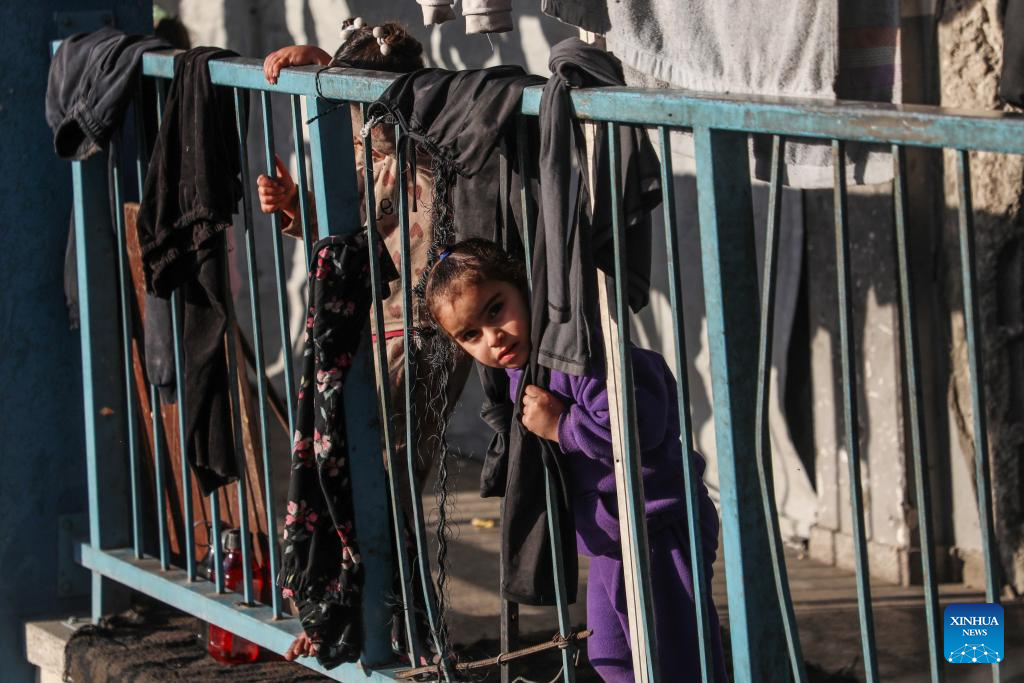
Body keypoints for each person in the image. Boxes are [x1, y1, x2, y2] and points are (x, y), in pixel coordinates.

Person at [259, 21, 472, 664]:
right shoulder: (368, 159)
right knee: (351, 473)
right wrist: (295, 208)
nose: (354, 123)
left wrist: (331, 67)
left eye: (355, 103)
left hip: (420, 336)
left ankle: (397, 631)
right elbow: (347, 236)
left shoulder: (422, 152)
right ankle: (352, 617)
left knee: (387, 479)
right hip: (372, 332)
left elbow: (390, 129)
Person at [423, 238, 728, 682]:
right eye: (470, 335)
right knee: (611, 656)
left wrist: (564, 426)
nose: (493, 337)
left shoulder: (580, 354)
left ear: (524, 288)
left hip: (657, 527)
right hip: (611, 540)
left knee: (676, 657)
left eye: (496, 309)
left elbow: (642, 421)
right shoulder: (521, 371)